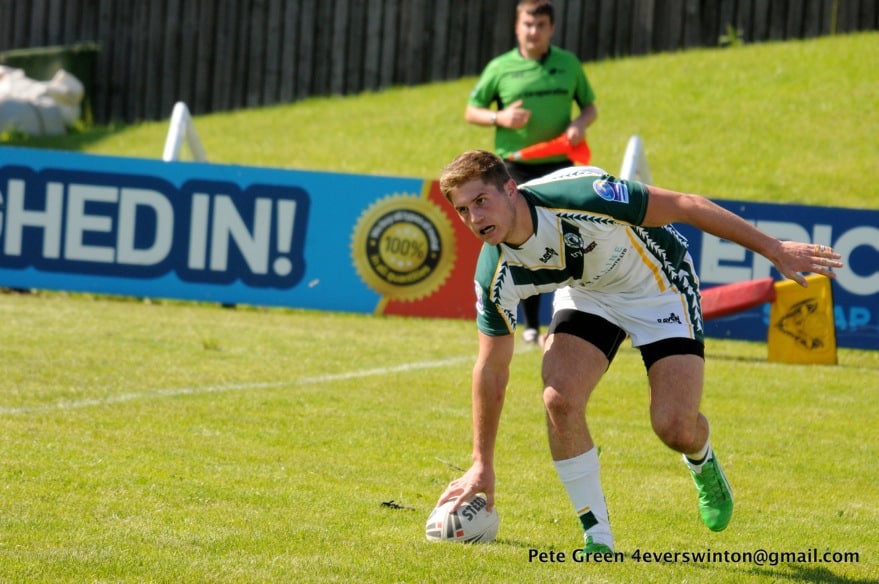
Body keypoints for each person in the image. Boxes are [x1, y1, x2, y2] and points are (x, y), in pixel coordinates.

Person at [436, 150, 843, 553]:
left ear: (510, 189)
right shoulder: (494, 273)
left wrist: (774, 249)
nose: (475, 218)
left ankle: (703, 461)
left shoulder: (582, 196)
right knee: (558, 398)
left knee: (675, 428)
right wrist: (481, 463)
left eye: (481, 202)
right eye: (463, 211)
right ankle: (597, 538)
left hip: (658, 286)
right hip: (590, 295)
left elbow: (687, 205)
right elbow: (491, 369)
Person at [465, 0, 597, 346]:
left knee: (566, 238)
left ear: (551, 28)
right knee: (524, 238)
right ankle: (530, 323)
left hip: (559, 166)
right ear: (516, 26)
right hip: (514, 168)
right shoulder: (500, 67)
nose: (533, 31)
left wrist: (579, 125)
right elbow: (471, 110)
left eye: (540, 24)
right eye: (527, 24)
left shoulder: (568, 65)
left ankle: (569, 318)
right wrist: (499, 118)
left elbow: (590, 107)